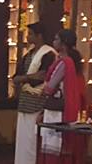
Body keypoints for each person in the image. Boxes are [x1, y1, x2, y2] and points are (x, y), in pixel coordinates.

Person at [40, 29, 87, 164]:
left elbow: (49, 88)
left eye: (56, 39)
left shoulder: (64, 63)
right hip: (66, 110)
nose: (53, 42)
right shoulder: (73, 62)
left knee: (52, 148)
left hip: (56, 111)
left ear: (63, 43)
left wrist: (42, 88)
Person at [12, 21, 56, 164]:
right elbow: (16, 77)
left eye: (30, 34)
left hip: (38, 103)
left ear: (39, 36)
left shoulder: (48, 53)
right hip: (25, 102)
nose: (27, 37)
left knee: (33, 141)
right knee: (22, 141)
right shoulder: (28, 54)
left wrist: (25, 78)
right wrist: (28, 78)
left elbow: (43, 76)